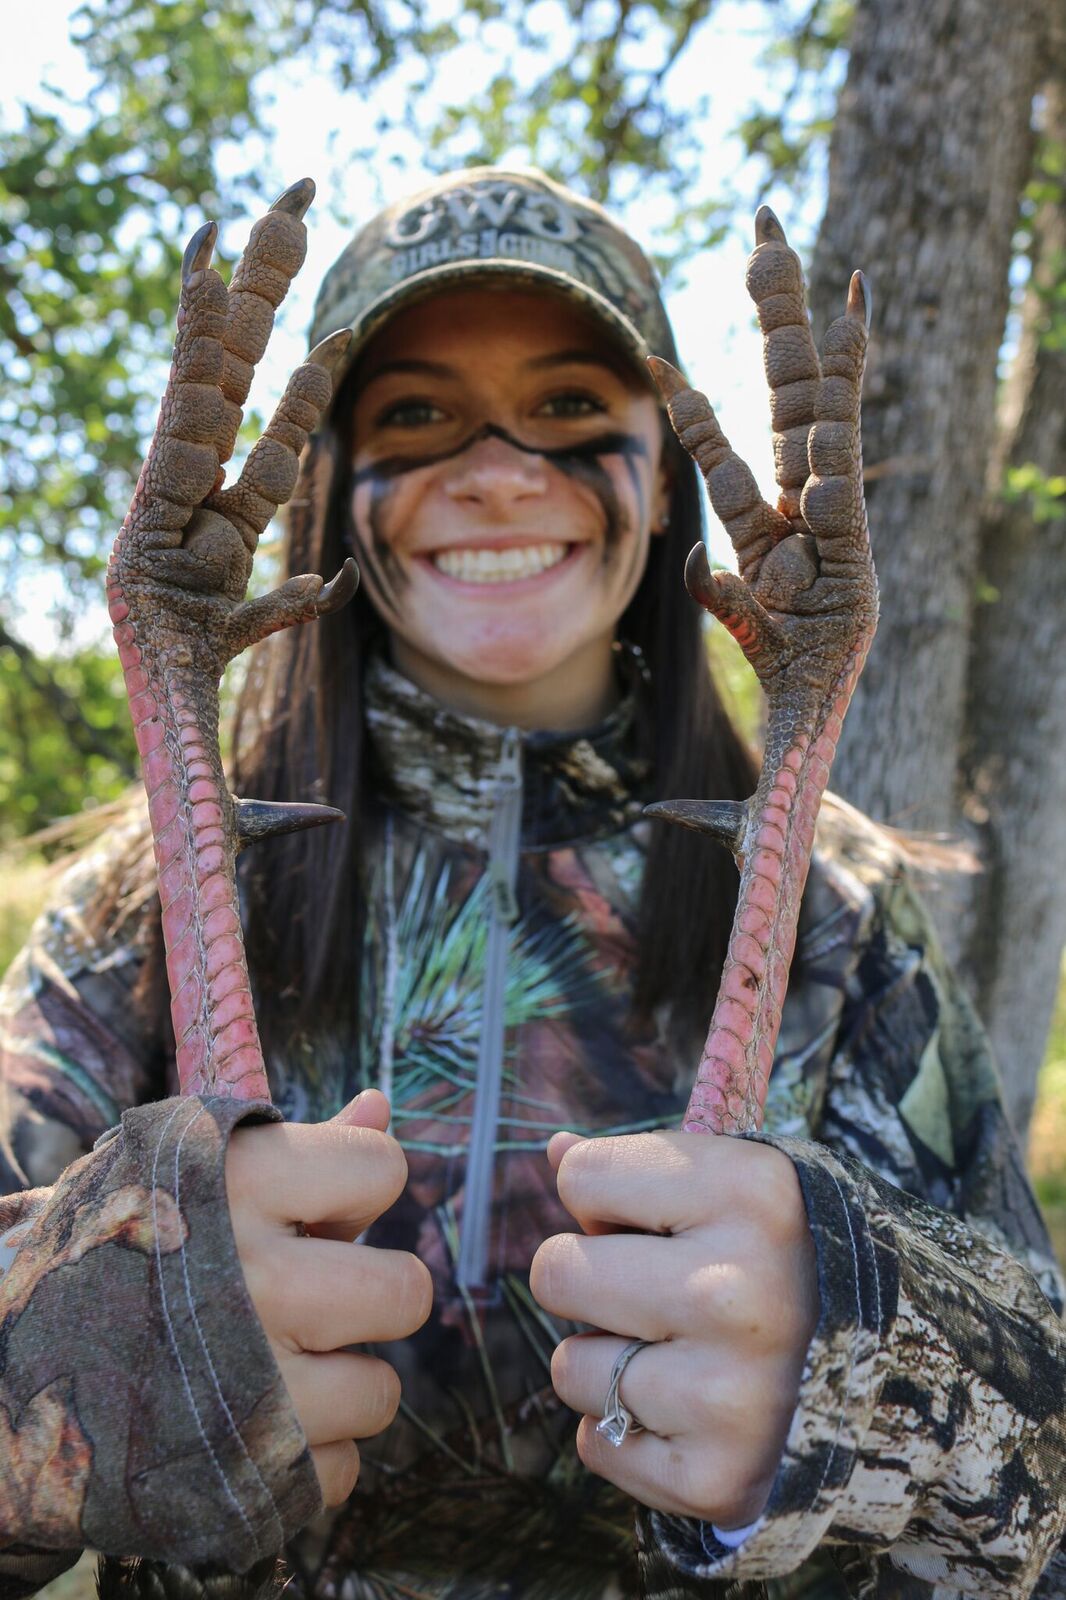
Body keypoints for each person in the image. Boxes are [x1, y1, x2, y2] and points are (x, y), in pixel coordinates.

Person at [0, 167, 1062, 1600]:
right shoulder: (141, 901)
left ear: (664, 470)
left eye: (568, 409)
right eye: (418, 415)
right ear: (329, 487)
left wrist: (866, 1361)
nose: (497, 470)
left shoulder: (837, 902)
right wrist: (71, 1348)